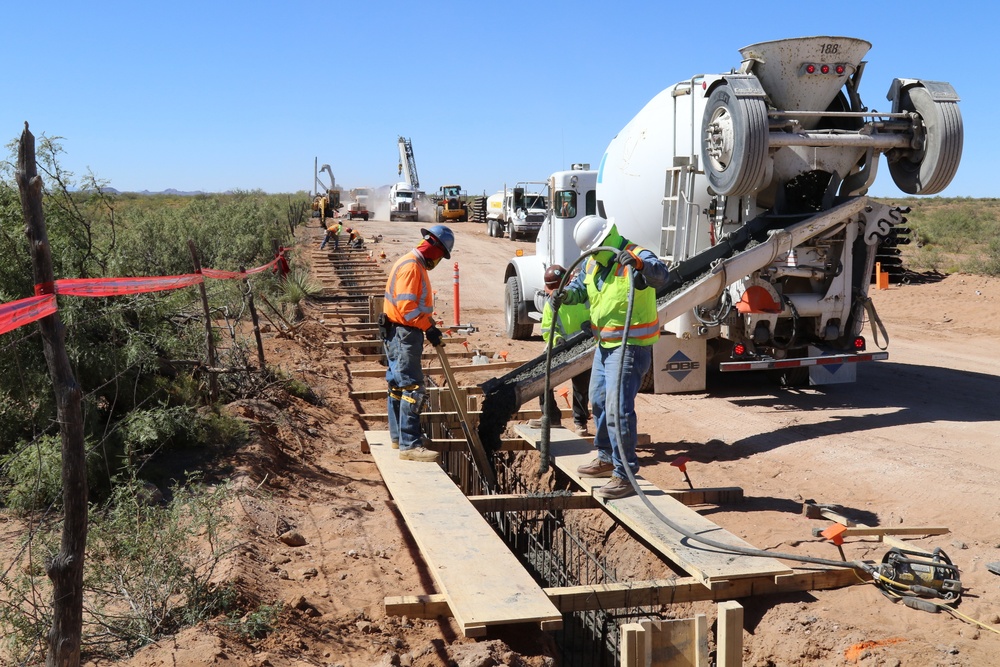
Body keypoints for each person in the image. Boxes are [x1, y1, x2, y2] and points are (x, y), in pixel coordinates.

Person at [553, 215, 669, 499]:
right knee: (600, 400)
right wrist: (565, 296)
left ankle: (625, 474)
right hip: (605, 345)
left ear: (607, 240)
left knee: (618, 408)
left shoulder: (635, 255)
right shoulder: (594, 262)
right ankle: (605, 457)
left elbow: (661, 275)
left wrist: (640, 265)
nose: (594, 254)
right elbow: (581, 288)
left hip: (630, 346)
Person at [381, 225, 455, 462]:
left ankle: (398, 437)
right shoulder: (413, 266)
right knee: (413, 387)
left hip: (396, 331)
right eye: (441, 256)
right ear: (434, 248)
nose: (439, 261)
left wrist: (428, 324)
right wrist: (429, 328)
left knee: (397, 385)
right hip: (405, 333)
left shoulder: (408, 261)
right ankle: (410, 445)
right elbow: (408, 309)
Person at [531, 264, 592, 436]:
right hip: (561, 347)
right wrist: (557, 340)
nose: (553, 292)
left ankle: (580, 422)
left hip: (585, 346)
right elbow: (547, 328)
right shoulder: (552, 303)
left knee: (581, 386)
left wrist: (592, 327)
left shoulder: (583, 296)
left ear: (569, 281)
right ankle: (551, 417)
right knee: (543, 377)